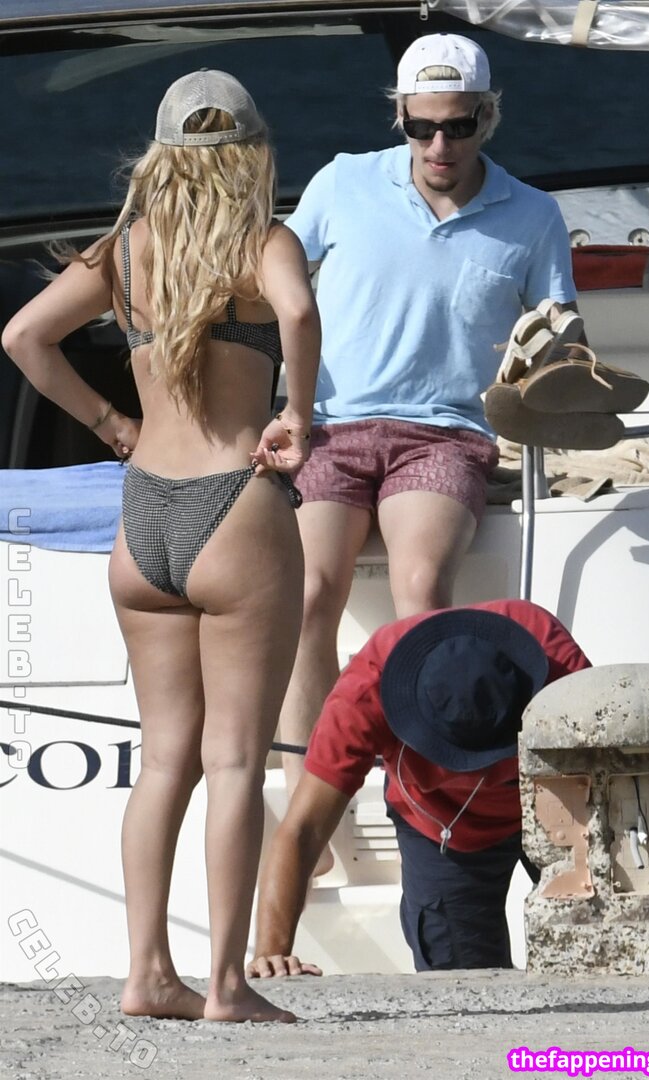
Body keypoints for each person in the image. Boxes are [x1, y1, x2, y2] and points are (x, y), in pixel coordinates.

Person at [2, 70, 320, 1023]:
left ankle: (146, 974)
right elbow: (298, 313)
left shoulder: (124, 253)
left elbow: (24, 336)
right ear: (252, 153)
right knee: (236, 762)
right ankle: (226, 985)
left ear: (160, 154)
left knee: (162, 761)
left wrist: (110, 423)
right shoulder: (262, 242)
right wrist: (298, 415)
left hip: (142, 517)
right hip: (236, 508)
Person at [277, 33, 583, 808]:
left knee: (421, 590)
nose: (439, 145)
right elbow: (271, 272)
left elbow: (563, 332)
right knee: (307, 594)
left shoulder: (533, 214)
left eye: (458, 125)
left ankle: (421, 798)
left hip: (445, 434)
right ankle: (309, 806)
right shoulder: (342, 182)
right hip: (331, 427)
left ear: (488, 117)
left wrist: (557, 359)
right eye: (421, 126)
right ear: (401, 118)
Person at [246, 599, 591, 976]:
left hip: (560, 807)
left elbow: (616, 790)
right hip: (442, 828)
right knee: (459, 985)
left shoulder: (559, 668)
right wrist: (271, 954)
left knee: (597, 944)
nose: (484, 773)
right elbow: (302, 830)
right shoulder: (365, 692)